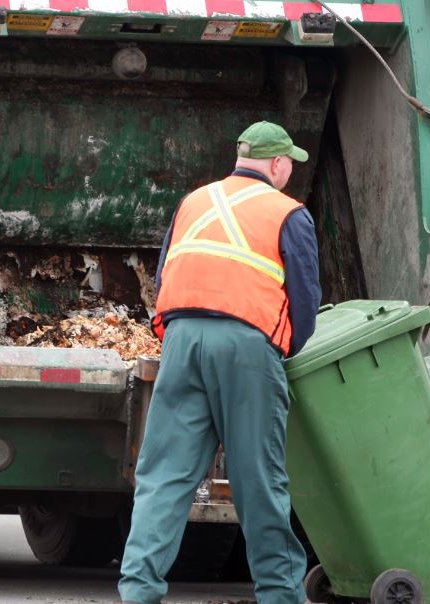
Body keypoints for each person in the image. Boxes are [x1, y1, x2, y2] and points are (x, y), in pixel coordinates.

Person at [118, 121, 322, 604]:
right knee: (259, 480)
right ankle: (279, 596)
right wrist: (282, 350)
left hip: (182, 341)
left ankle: (138, 592)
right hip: (247, 348)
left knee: (164, 476)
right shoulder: (288, 213)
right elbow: (305, 299)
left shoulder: (194, 202)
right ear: (277, 164)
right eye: (289, 161)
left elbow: (166, 269)